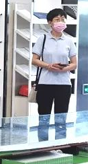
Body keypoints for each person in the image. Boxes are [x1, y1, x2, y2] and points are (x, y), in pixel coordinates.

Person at [32, 8, 77, 141]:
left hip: (63, 84)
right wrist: (48, 66)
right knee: (43, 117)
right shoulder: (43, 39)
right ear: (50, 22)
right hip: (45, 83)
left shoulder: (69, 41)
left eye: (63, 19)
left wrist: (65, 68)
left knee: (61, 118)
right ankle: (43, 145)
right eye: (57, 19)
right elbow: (34, 60)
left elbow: (74, 63)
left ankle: (60, 145)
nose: (60, 22)